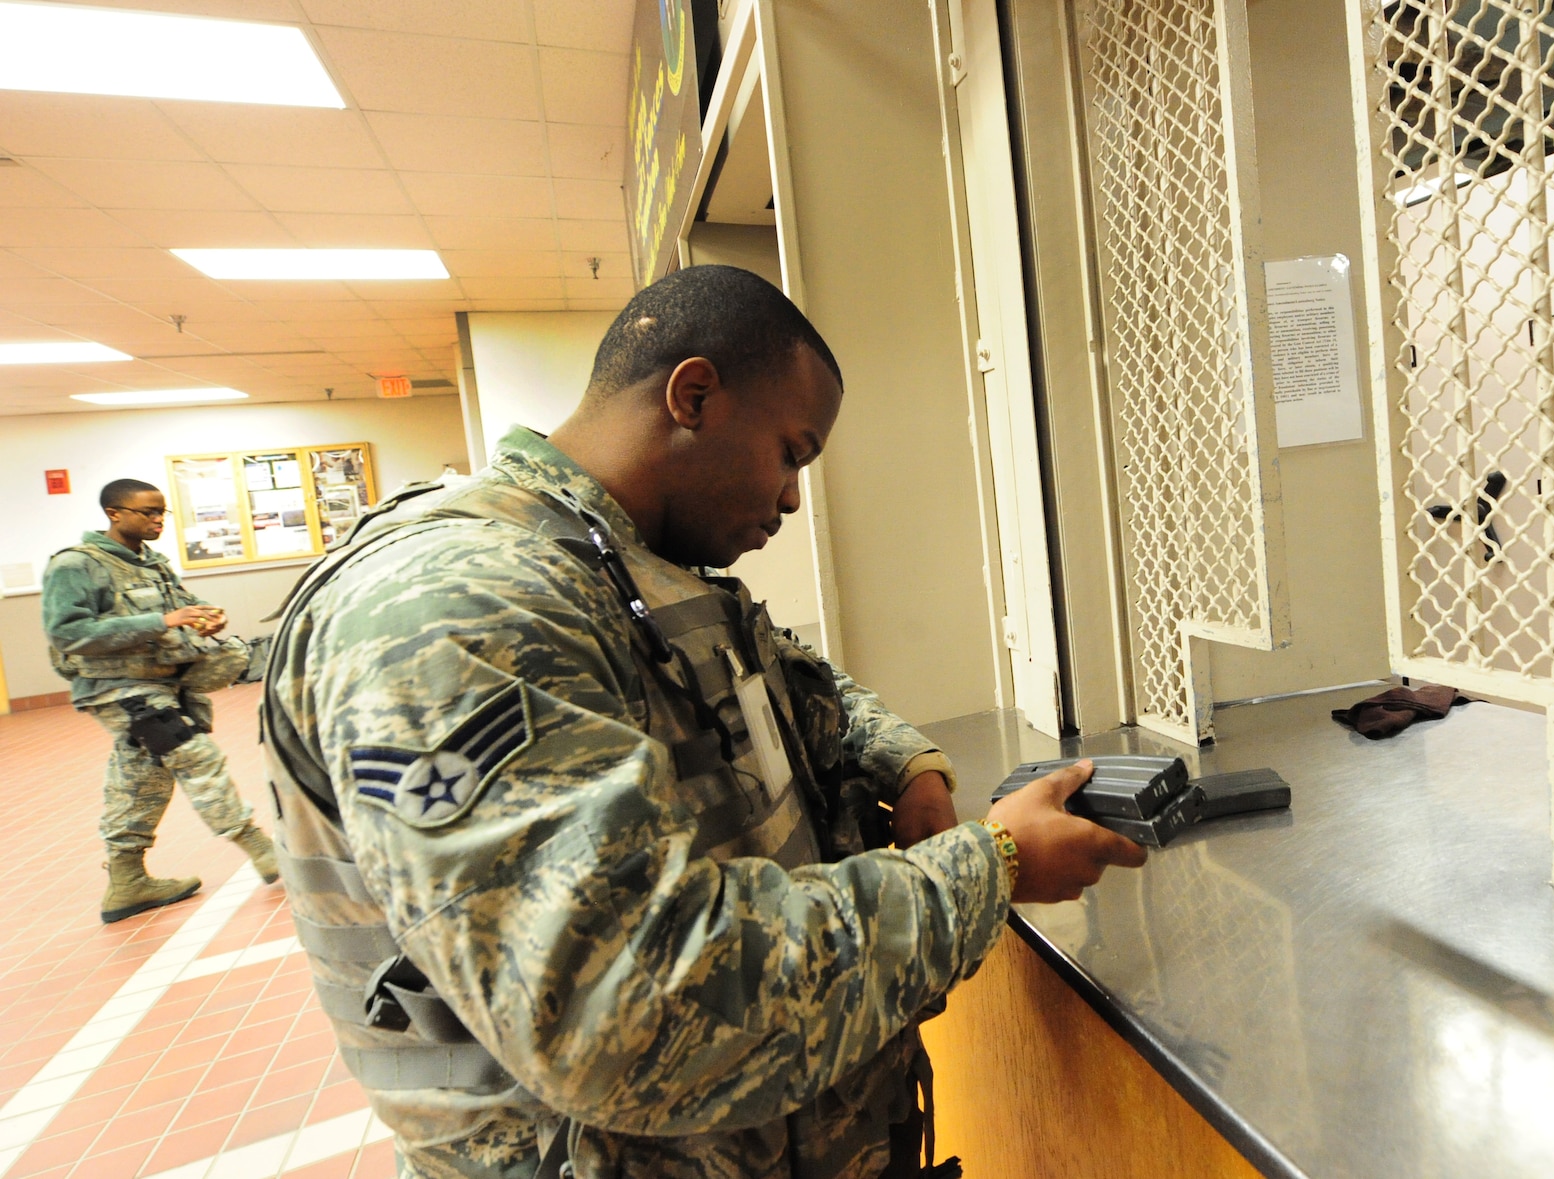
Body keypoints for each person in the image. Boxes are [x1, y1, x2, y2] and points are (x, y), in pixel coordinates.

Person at [261, 265, 1145, 1179]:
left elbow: (788, 677)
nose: (794, 497)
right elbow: (632, 1008)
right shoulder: (462, 604)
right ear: (693, 395)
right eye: (792, 452)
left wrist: (907, 764)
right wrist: (986, 865)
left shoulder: (622, 561)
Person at [43, 478, 281, 923]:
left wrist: (206, 617)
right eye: (147, 512)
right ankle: (258, 846)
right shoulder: (75, 565)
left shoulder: (151, 563)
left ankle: (127, 882)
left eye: (161, 513)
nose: (157, 521)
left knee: (141, 781)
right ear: (115, 513)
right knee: (193, 754)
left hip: (165, 683)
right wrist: (162, 620)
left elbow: (185, 605)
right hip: (118, 690)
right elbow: (66, 633)